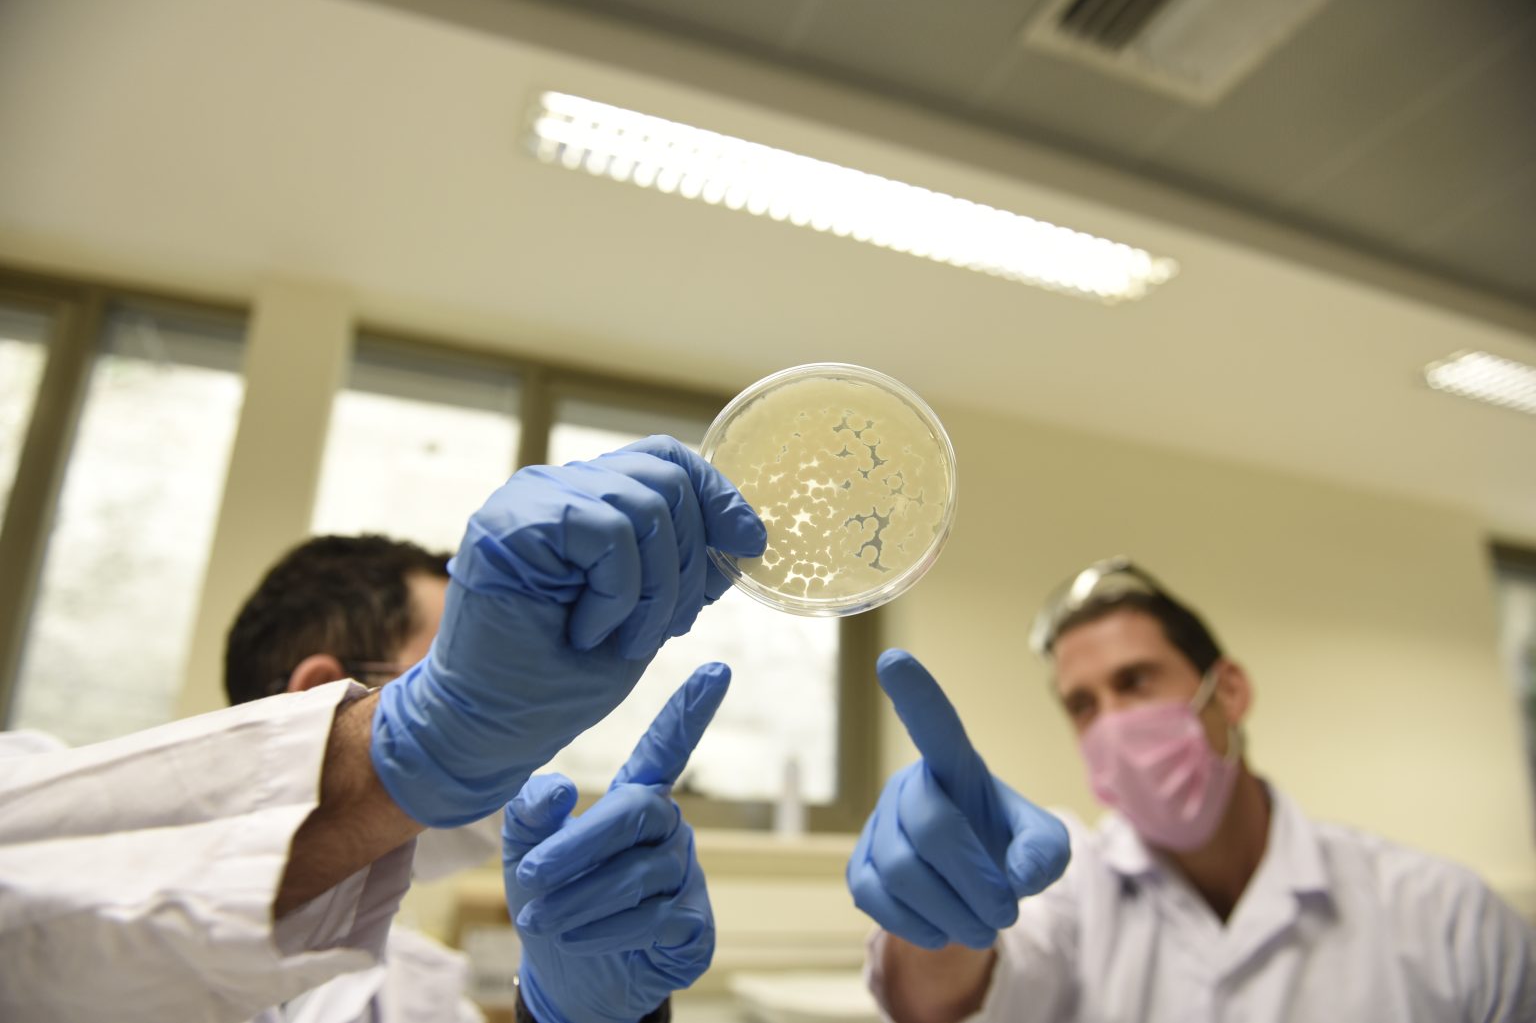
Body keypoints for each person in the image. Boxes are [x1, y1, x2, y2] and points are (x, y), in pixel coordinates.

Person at [0, 435, 766, 1023]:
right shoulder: (30, 811)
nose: (532, 728)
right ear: (321, 691)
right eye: (461, 658)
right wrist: (399, 752)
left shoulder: (418, 992)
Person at [848, 556, 1536, 1022]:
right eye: (1083, 704)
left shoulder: (1446, 916)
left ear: (1227, 691)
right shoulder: (1071, 886)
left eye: (1136, 681)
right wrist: (943, 916)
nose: (1112, 721)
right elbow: (956, 996)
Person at [222, 533, 726, 1023]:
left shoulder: (417, 992)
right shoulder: (151, 939)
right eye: (468, 683)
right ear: (325, 696)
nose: (518, 734)